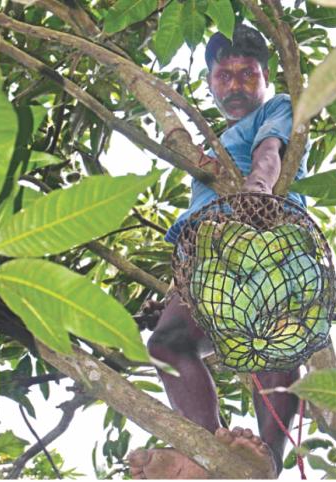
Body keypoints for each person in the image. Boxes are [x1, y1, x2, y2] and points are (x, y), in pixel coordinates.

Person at [127, 24, 309, 479]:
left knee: (273, 343)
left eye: (246, 74)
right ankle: (210, 454)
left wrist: (257, 190)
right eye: (223, 76)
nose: (235, 86)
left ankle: (265, 460)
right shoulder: (216, 144)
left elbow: (270, 151)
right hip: (207, 256)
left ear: (266, 77)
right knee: (168, 344)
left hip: (267, 238)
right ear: (208, 83)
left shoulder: (277, 108)